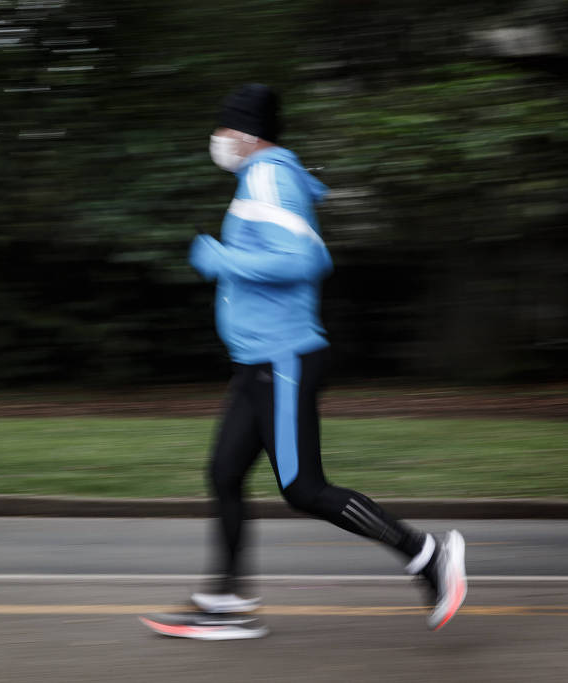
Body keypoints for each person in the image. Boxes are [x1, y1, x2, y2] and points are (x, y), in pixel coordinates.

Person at [187, 83, 466, 634]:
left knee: (304, 489)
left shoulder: (268, 174)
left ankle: (428, 555)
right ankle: (228, 602)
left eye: (222, 128)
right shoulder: (257, 179)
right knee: (223, 473)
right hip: (256, 362)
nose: (216, 138)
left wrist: (223, 259)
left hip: (283, 357)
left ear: (245, 132)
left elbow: (305, 258)